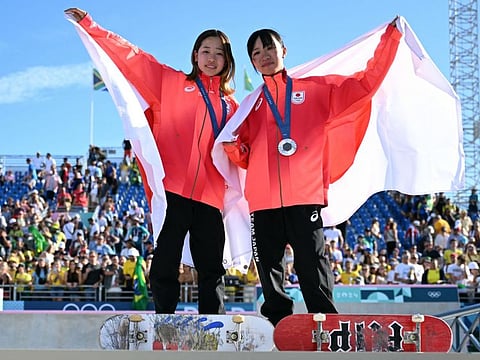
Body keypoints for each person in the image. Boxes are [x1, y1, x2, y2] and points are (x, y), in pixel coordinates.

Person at [221, 19, 400, 325]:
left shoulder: (315, 90)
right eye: (256, 53)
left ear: (284, 50)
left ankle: (325, 322)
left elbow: (364, 87)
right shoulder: (251, 105)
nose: (263, 55)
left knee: (311, 264)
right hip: (262, 201)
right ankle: (278, 325)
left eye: (269, 48)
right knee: (268, 269)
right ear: (251, 62)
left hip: (304, 196)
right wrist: (233, 148)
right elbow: (244, 155)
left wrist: (390, 41)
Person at [65, 8, 238, 314]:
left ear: (227, 60)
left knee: (211, 267)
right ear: (195, 55)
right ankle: (164, 318)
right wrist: (92, 27)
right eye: (206, 51)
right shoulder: (170, 83)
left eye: (219, 53)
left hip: (212, 197)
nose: (212, 58)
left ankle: (215, 325)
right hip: (174, 190)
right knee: (165, 260)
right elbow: (132, 57)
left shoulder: (232, 105)